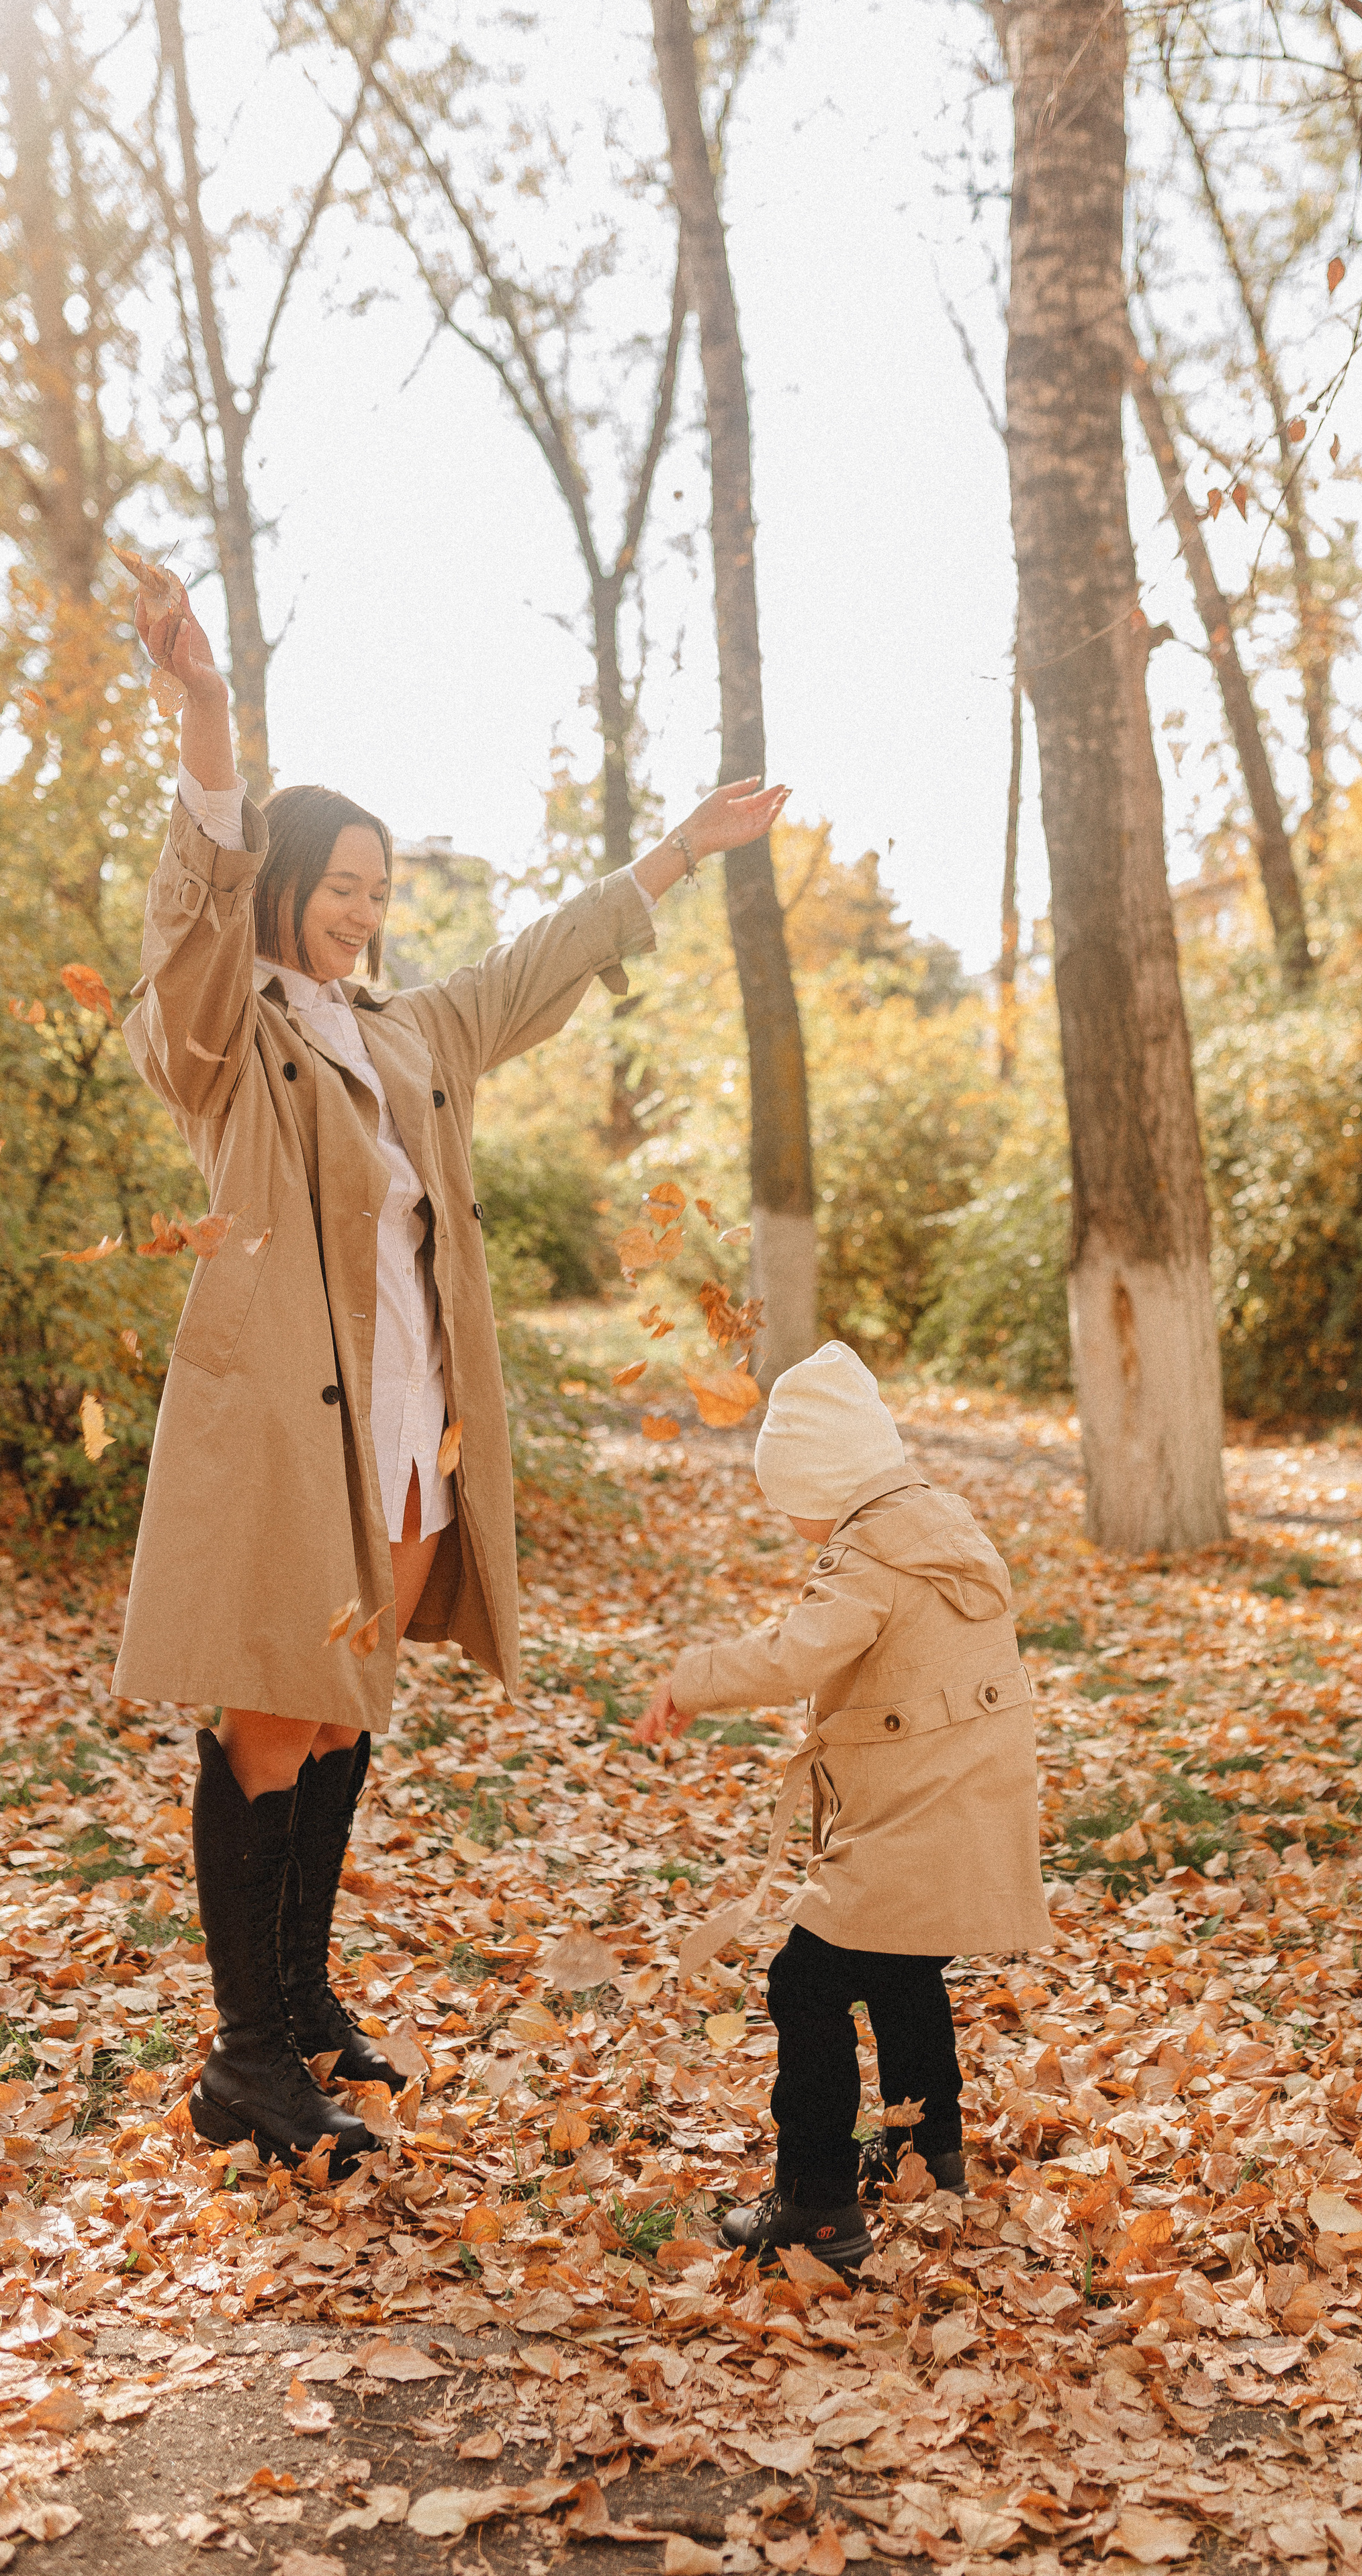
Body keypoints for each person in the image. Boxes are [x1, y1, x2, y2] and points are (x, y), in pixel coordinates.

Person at [114, 583, 787, 2175]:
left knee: (344, 1717)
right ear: (283, 883)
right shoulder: (227, 1031)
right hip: (290, 1437)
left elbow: (534, 965)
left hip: (411, 1435)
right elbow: (192, 896)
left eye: (378, 888)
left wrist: (678, 851)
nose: (361, 909)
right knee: (273, 1720)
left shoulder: (404, 1032)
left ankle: (299, 1994)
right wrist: (206, 718)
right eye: (339, 883)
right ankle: (246, 2058)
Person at [636, 1342, 1052, 2267]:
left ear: (820, 1477)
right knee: (905, 1968)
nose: (787, 1519)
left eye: (787, 1497)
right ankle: (923, 2153)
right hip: (968, 1798)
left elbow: (798, 1655)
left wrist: (690, 1676)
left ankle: (817, 2207)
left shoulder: (866, 1550)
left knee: (806, 1981)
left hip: (917, 1806)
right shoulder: (941, 1521)